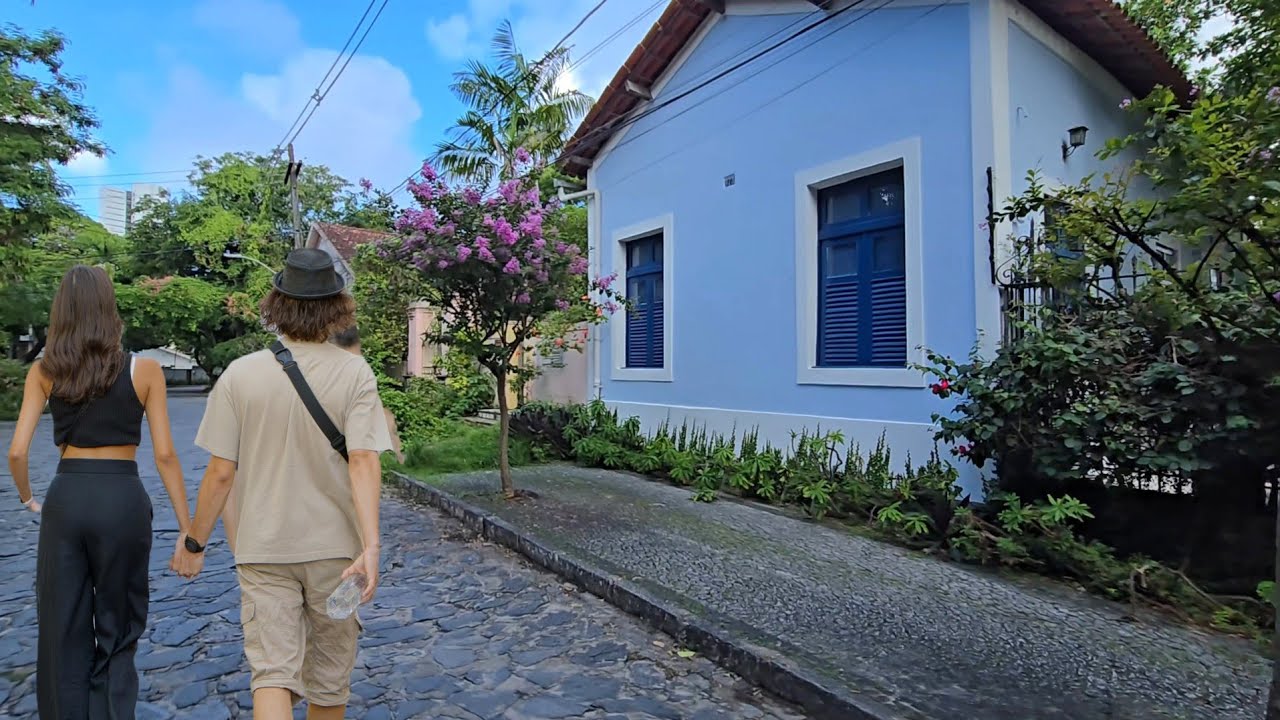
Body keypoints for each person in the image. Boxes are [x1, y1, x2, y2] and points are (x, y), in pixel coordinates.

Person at [171, 248, 391, 720]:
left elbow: (221, 473)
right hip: (338, 553)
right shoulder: (356, 372)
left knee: (272, 676)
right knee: (330, 682)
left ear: (277, 304)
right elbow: (364, 460)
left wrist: (195, 540)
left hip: (263, 549)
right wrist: (370, 545)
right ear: (337, 308)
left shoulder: (240, 375)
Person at [6, 264, 192, 719]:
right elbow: (166, 456)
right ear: (109, 309)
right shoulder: (144, 370)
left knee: (62, 625)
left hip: (67, 498)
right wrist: (188, 526)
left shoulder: (44, 371)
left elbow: (16, 451)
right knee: (119, 623)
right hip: (122, 498)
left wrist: (29, 498)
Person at [219, 324, 403, 555]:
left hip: (325, 547)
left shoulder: (359, 400)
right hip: (294, 547)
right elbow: (228, 476)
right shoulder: (265, 398)